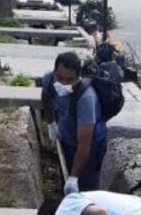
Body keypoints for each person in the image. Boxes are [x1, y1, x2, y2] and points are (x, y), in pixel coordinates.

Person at [41, 52, 107, 194]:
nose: (63, 83)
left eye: (69, 80)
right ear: (54, 72)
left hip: (90, 147)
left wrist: (73, 178)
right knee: (65, 172)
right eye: (60, 78)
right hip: (67, 135)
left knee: (85, 189)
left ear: (78, 78)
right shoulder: (49, 79)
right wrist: (51, 124)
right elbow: (46, 96)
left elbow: (84, 144)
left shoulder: (86, 99)